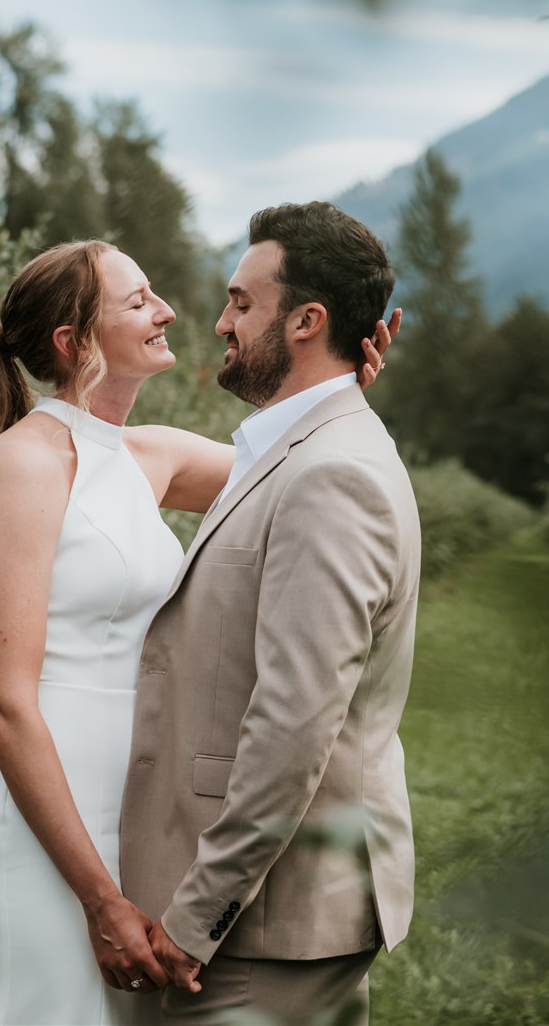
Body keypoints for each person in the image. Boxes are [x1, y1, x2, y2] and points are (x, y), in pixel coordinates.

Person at [0, 238, 396, 1026]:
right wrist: (99, 896)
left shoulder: (150, 455)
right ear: (73, 341)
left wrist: (338, 382)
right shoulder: (24, 464)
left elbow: (301, 473)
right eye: (138, 300)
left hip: (137, 801)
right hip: (49, 801)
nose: (169, 311)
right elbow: (4, 705)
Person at [122, 202, 419, 1024]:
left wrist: (197, 917)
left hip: (265, 926)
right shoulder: (304, 450)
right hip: (261, 918)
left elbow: (294, 724)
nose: (221, 322)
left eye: (241, 303)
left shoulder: (332, 476)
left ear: (306, 321)